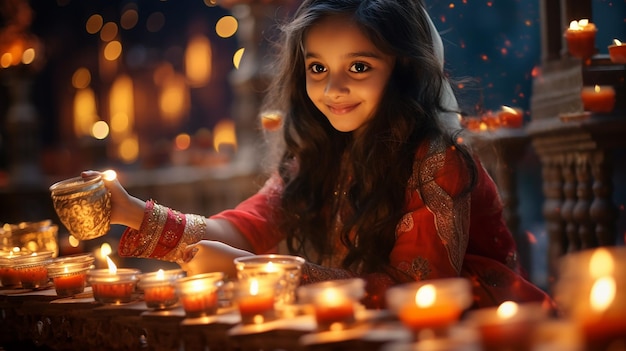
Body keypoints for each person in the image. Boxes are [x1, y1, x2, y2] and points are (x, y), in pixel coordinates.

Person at [82, 0, 553, 310]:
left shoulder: (434, 161)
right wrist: (129, 211)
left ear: (404, 69)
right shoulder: (316, 155)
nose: (333, 88)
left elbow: (418, 294)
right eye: (318, 67)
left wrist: (250, 268)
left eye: (359, 67)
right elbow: (246, 227)